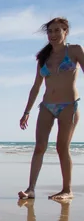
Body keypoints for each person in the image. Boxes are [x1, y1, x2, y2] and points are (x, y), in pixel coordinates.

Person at [19, 17, 84, 200]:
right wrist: (26, 112)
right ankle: (31, 189)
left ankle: (67, 190)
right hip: (47, 106)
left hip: (69, 106)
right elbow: (36, 87)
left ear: (65, 32)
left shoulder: (75, 50)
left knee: (62, 148)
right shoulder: (43, 57)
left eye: (57, 30)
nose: (53, 35)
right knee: (39, 147)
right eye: (50, 31)